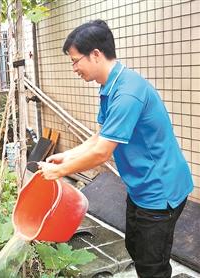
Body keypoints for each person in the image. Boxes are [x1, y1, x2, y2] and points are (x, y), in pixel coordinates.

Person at [37, 19, 193, 278]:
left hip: (161, 191)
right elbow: (99, 137)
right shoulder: (110, 88)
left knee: (152, 265)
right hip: (141, 187)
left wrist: (61, 171)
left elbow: (101, 153)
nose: (74, 68)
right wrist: (67, 155)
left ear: (95, 54)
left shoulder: (128, 92)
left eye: (75, 60)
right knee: (135, 246)